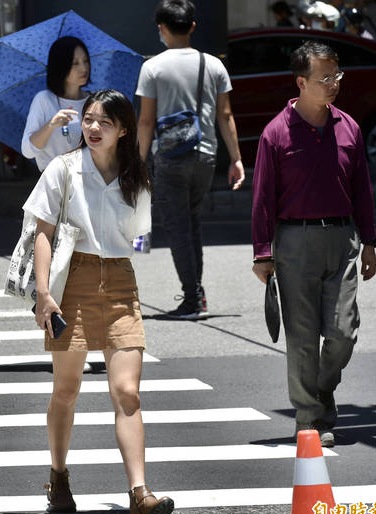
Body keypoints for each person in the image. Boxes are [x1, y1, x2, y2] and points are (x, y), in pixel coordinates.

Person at [25, 89, 171, 514]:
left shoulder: (136, 175)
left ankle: (139, 493)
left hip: (121, 282)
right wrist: (44, 293)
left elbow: (141, 238)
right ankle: (58, 476)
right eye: (88, 119)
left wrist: (129, 235)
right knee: (66, 390)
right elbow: (42, 233)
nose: (92, 128)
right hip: (73, 283)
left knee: (127, 392)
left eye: (104, 122)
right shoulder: (63, 169)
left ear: (123, 129)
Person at [251, 41, 376, 448]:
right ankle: (309, 420)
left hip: (342, 240)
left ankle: (322, 389)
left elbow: (363, 191)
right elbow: (262, 198)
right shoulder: (275, 133)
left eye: (337, 75)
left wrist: (370, 242)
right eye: (325, 78)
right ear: (301, 82)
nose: (333, 84)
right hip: (294, 241)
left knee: (343, 332)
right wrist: (262, 252)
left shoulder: (350, 128)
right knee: (302, 338)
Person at [136, 0, 245, 320]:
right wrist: (236, 159)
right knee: (191, 222)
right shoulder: (213, 65)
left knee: (178, 227)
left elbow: (145, 121)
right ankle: (196, 292)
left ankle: (192, 297)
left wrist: (140, 163)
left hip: (170, 157)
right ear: (193, 27)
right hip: (206, 157)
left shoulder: (152, 67)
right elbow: (225, 115)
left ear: (161, 28)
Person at [22, 36, 90, 172]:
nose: (83, 68)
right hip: (53, 186)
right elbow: (27, 151)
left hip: (87, 184)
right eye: (75, 63)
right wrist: (51, 125)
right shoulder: (43, 100)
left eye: (86, 61)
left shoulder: (94, 101)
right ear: (60, 66)